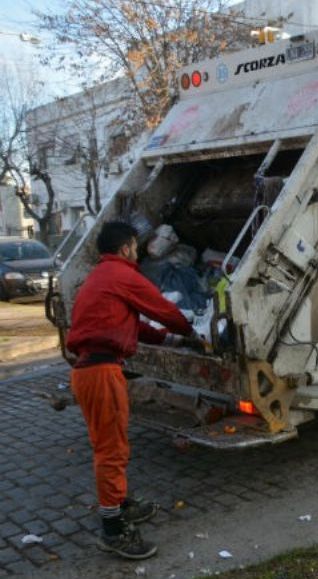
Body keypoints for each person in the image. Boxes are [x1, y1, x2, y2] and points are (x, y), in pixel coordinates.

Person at [66, 221, 199, 560]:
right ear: (126, 247)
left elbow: (130, 323)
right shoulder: (121, 275)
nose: (137, 252)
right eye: (136, 247)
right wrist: (192, 333)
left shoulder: (101, 277)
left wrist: (170, 339)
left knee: (110, 445)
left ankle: (121, 502)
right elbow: (163, 309)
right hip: (101, 372)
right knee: (111, 451)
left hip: (90, 369)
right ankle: (113, 530)